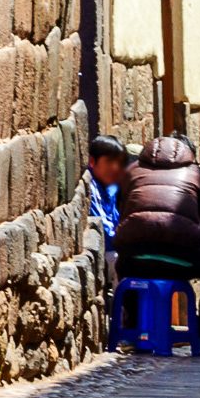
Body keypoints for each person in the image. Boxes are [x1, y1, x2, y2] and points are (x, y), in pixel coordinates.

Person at [117, 136, 200, 350]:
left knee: (127, 260)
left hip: (133, 262)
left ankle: (132, 329)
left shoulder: (132, 172)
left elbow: (122, 210)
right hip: (181, 262)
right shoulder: (199, 175)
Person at [85, 137, 126, 338]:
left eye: (118, 162)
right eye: (109, 162)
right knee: (123, 263)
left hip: (112, 248)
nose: (115, 168)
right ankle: (123, 326)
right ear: (93, 162)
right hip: (104, 252)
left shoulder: (109, 189)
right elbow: (106, 230)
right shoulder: (90, 188)